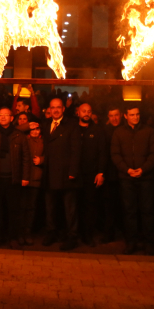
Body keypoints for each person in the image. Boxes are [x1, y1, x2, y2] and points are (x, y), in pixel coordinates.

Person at [111, 104, 154, 255]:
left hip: (146, 178)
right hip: (126, 177)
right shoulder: (119, 132)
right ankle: (131, 242)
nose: (135, 117)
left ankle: (148, 243)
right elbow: (115, 154)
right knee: (129, 212)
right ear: (126, 116)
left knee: (147, 211)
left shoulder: (149, 131)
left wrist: (143, 169)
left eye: (137, 114)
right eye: (132, 115)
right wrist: (127, 170)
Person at [34, 97, 81, 251]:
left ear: (63, 109)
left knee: (70, 209)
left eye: (58, 107)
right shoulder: (46, 124)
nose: (55, 110)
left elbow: (76, 150)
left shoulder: (71, 125)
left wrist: (73, 171)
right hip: (49, 172)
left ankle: (72, 236)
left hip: (66, 173)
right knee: (50, 207)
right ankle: (51, 232)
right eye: (52, 107)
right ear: (49, 109)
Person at [0, 107, 31, 249]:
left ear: (11, 117)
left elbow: (26, 157)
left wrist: (25, 176)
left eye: (6, 115)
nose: (2, 117)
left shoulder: (19, 135)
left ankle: (13, 237)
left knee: (14, 210)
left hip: (13, 178)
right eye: (0, 115)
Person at [77, 103, 107, 247]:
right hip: (74, 174)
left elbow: (102, 152)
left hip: (91, 174)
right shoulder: (72, 129)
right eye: (84, 111)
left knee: (90, 205)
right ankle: (73, 234)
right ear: (78, 112)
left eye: (89, 111)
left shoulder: (98, 130)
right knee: (74, 205)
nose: (87, 114)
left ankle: (88, 235)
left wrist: (101, 172)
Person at [101, 106, 123, 243]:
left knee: (126, 205)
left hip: (124, 173)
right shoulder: (105, 131)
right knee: (108, 205)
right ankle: (109, 233)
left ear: (121, 115)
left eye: (116, 115)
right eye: (111, 116)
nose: (114, 118)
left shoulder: (126, 130)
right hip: (110, 173)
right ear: (108, 117)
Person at [22, 117, 44, 246]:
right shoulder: (25, 140)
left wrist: (41, 160)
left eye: (37, 129)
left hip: (36, 178)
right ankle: (20, 232)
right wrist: (27, 125)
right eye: (33, 129)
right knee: (22, 207)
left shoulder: (43, 142)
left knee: (31, 208)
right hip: (24, 178)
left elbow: (52, 155)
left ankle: (27, 232)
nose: (35, 131)